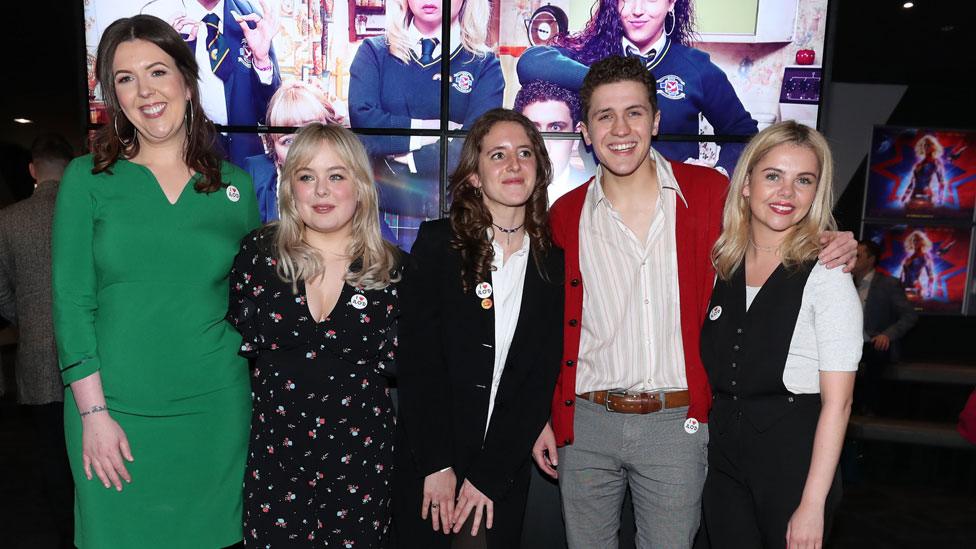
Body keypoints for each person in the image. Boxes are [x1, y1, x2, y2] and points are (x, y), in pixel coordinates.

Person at [529, 56, 856, 549]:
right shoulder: (565, 214)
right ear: (584, 130)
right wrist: (543, 416)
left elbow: (773, 228)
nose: (621, 129)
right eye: (604, 116)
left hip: (676, 424)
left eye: (635, 113)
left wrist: (839, 242)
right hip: (588, 423)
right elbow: (543, 328)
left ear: (657, 121)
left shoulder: (709, 194)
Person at [52, 15, 260, 548]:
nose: (144, 91)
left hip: (214, 411)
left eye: (158, 72)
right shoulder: (87, 179)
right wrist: (93, 413)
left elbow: (257, 301)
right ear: (113, 96)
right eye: (125, 78)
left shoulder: (235, 187)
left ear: (187, 82)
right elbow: (72, 304)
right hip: (111, 413)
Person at [394, 108, 564, 548]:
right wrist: (435, 465)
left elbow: (539, 378)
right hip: (433, 460)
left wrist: (490, 475)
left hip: (501, 466)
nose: (513, 165)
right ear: (473, 175)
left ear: (539, 169)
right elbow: (417, 365)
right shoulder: (437, 246)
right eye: (498, 155)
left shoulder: (554, 262)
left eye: (525, 153)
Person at [227, 123, 401, 546]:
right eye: (307, 176)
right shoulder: (258, 257)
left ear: (359, 186)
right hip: (276, 470)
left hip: (361, 473)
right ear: (290, 189)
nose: (321, 190)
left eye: (336, 176)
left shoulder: (395, 271)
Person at [700, 121, 862, 549]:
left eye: (803, 180)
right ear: (748, 184)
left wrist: (812, 503)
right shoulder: (722, 267)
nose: (787, 193)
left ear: (816, 192)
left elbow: (839, 402)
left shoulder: (828, 274)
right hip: (724, 465)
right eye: (773, 176)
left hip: (794, 465)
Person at [516, 0, 757, 177]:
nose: (637, 9)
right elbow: (531, 62)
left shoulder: (695, 67)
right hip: (600, 207)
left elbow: (743, 133)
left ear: (671, 3)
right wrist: (607, 82)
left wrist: (720, 173)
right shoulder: (593, 55)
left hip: (675, 208)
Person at [349, 0, 504, 209]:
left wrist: (412, 159)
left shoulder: (484, 64)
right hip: (381, 208)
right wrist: (438, 131)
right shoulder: (374, 52)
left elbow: (477, 143)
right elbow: (364, 124)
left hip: (454, 211)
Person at [0, 133, 75, 548]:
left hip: (37, 355)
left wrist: (27, 320)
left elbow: (0, 292)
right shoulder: (88, 214)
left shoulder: (8, 220)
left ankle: (66, 533)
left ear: (33, 170)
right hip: (93, 354)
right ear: (72, 167)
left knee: (51, 453)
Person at [142, 0, 282, 166]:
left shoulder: (251, 16)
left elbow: (268, 112)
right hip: (183, 159)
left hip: (244, 162)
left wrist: (262, 60)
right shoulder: (156, 17)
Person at [242, 81, 338, 222]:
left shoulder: (351, 180)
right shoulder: (254, 175)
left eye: (310, 134)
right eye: (288, 141)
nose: (301, 149)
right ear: (273, 148)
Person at [852, 239, 917, 414]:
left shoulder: (888, 284)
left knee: (875, 355)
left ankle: (868, 410)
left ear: (871, 259)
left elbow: (909, 315)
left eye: (857, 255)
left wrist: (887, 335)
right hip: (849, 346)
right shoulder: (843, 283)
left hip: (874, 344)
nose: (852, 259)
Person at [513, 80, 592, 204]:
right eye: (532, 129)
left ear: (576, 135)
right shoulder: (498, 195)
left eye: (556, 128)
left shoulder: (593, 195)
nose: (544, 146)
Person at [900, 135, 946, 207]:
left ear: (933, 146)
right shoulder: (918, 164)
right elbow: (912, 183)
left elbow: (942, 182)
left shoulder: (936, 163)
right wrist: (904, 197)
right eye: (924, 145)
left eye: (928, 145)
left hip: (926, 195)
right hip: (914, 195)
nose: (926, 147)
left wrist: (940, 199)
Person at [900, 230, 937, 299]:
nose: (915, 242)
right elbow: (903, 275)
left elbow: (931, 276)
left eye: (917, 240)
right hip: (904, 288)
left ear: (922, 241)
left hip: (915, 289)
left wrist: (929, 291)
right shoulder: (908, 257)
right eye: (914, 240)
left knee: (911, 307)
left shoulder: (925, 257)